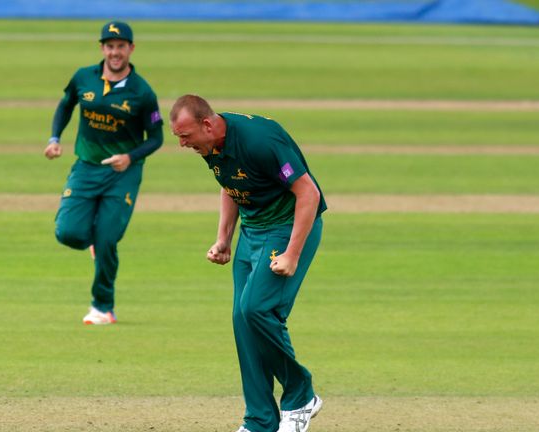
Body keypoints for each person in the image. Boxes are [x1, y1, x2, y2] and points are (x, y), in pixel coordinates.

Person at [170, 95, 327, 432]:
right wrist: (224, 238)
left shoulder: (261, 141)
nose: (183, 144)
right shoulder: (210, 145)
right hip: (253, 231)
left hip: (287, 226)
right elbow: (230, 185)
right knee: (242, 319)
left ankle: (301, 396)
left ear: (207, 125)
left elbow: (309, 194)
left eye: (185, 136)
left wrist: (292, 254)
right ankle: (260, 420)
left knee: (257, 309)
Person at [44, 21, 163, 325]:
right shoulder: (84, 77)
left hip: (122, 174)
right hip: (86, 167)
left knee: (108, 238)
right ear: (102, 49)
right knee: (67, 232)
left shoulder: (142, 92)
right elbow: (65, 105)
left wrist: (129, 157)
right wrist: (55, 139)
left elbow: (157, 138)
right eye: (110, 46)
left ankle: (102, 307)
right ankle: (95, 241)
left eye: (121, 46)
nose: (115, 52)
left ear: (130, 49)